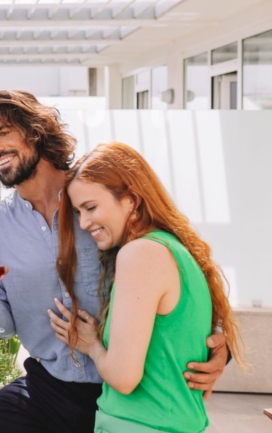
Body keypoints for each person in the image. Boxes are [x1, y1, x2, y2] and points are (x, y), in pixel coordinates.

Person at [0, 90, 229, 433]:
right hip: (49, 387)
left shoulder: (98, 195)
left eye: (3, 132)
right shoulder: (0, 225)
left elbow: (179, 265)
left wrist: (218, 342)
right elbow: (5, 324)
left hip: (127, 392)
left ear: (35, 129)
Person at [48, 142, 244, 432]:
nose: (84, 222)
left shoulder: (140, 254)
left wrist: (90, 344)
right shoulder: (171, 250)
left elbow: (124, 377)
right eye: (78, 212)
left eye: (90, 207)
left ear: (131, 200)